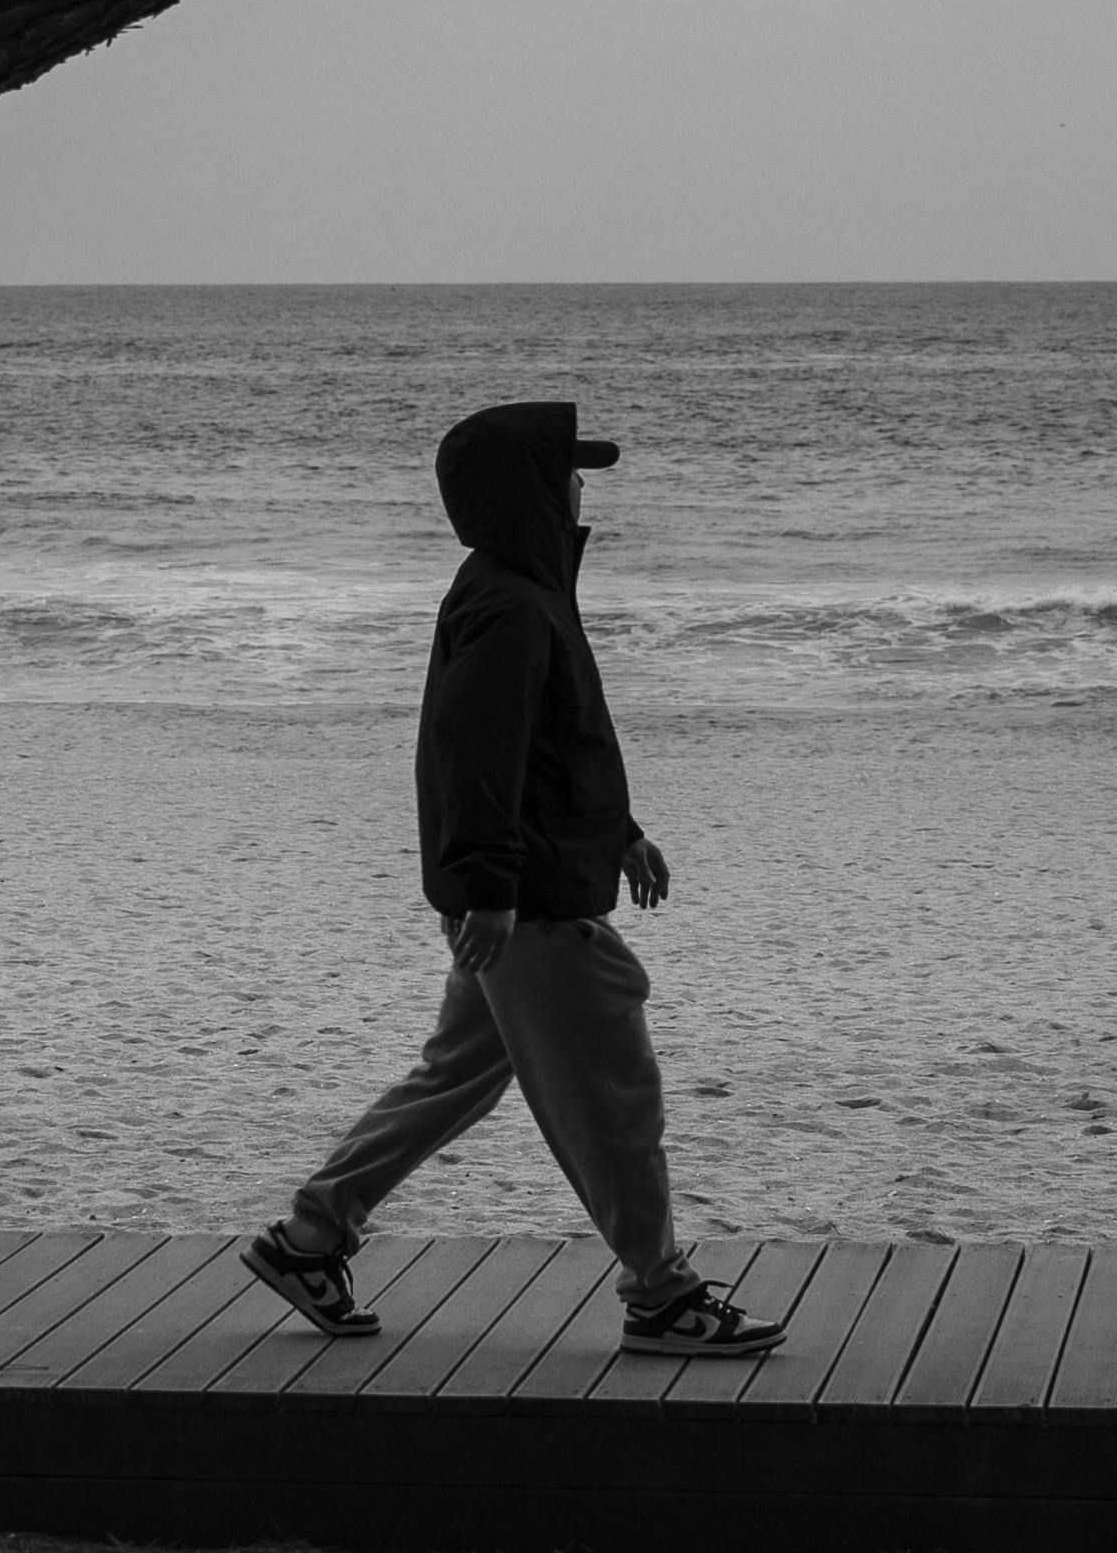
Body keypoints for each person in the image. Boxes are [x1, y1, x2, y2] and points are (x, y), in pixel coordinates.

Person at [247, 398, 774, 1354]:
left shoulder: (520, 588)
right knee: (614, 1098)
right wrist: (490, 890)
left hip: (520, 889)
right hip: (530, 905)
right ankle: (662, 1298)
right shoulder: (512, 603)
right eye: (567, 472)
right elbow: (475, 757)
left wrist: (621, 832)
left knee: (455, 1076)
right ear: (526, 490)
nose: (578, 487)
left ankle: (309, 1238)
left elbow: (550, 744)